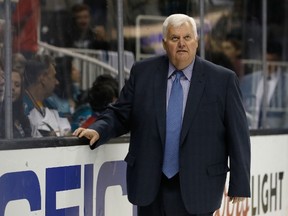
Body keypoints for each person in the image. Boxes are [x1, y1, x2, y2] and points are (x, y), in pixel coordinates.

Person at [74, 14, 251, 215]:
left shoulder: (223, 80)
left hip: (199, 188)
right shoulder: (143, 72)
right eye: (175, 38)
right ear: (164, 43)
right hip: (150, 185)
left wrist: (240, 182)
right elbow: (121, 113)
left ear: (197, 42)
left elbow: (238, 135)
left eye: (187, 38)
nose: (182, 44)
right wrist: (98, 129)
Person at [240, 40, 288, 129]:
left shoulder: (285, 83)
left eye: (272, 61)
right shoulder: (248, 80)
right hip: (249, 132)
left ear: (279, 60)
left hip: (276, 135)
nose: (268, 65)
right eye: (266, 60)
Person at [23, 54, 71, 137]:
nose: (57, 82)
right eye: (54, 77)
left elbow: (68, 134)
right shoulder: (21, 107)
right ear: (43, 78)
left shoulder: (52, 105)